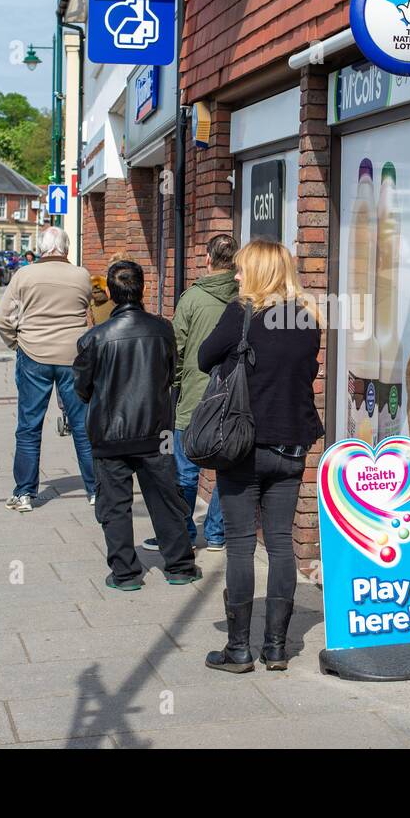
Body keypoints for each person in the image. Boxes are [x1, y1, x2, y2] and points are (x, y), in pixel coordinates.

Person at [200, 240, 323, 673]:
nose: (235, 276)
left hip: (243, 446)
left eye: (241, 270)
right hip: (290, 446)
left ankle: (238, 649)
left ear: (256, 273)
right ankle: (276, 647)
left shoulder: (241, 314)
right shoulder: (307, 318)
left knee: (238, 546)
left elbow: (203, 358)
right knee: (280, 544)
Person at [73, 260, 201, 590]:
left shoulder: (95, 338)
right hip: (156, 431)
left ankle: (126, 573)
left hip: (109, 434)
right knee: (166, 500)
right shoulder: (163, 329)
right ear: (142, 288)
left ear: (112, 295)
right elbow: (172, 372)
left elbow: (82, 388)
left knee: (114, 505)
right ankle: (180, 567)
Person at [141, 233, 237, 555]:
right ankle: (217, 534)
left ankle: (183, 530)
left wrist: (174, 386)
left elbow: (176, 350)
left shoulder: (192, 299)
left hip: (194, 398)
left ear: (207, 260)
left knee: (185, 469)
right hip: (234, 399)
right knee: (227, 469)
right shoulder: (246, 298)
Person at [0, 226, 96, 513]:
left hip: (33, 353)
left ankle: (25, 493)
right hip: (73, 356)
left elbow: (2, 318)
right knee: (82, 425)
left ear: (41, 248)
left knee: (29, 425)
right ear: (66, 248)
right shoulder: (81, 276)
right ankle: (95, 490)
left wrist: (16, 343)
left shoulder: (24, 275)